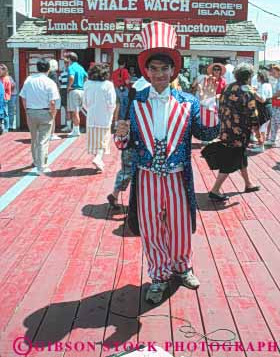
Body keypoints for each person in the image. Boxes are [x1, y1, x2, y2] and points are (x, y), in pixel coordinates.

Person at [115, 21, 213, 304]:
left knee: (181, 225)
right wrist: (120, 136)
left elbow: (206, 133)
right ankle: (159, 275)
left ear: (173, 72)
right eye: (154, 69)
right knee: (151, 227)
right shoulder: (134, 101)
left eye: (165, 68)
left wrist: (207, 103)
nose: (159, 74)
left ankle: (182, 268)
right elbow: (124, 142)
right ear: (146, 71)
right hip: (146, 176)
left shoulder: (188, 101)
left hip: (177, 176)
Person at [208, 63, 261, 201]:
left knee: (241, 157)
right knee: (230, 160)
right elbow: (253, 115)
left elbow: (220, 107)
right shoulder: (247, 91)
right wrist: (259, 135)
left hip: (226, 129)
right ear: (249, 76)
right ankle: (215, 190)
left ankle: (248, 184)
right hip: (240, 133)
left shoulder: (228, 87)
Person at [107, 77, 151, 209]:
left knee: (126, 169)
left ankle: (115, 194)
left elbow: (121, 111)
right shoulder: (149, 91)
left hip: (128, 136)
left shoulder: (131, 91)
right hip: (142, 139)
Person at [19, 59, 60, 175]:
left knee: (34, 138)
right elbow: (52, 102)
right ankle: (42, 166)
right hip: (45, 112)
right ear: (48, 69)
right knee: (43, 140)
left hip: (31, 112)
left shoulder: (29, 80)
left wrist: (27, 110)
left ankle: (36, 160)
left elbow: (23, 97)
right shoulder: (50, 82)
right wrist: (52, 114)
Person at [83, 64, 116, 172]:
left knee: (94, 141)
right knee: (103, 140)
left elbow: (85, 103)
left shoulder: (87, 84)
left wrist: (90, 110)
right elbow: (111, 103)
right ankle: (98, 158)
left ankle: (98, 160)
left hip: (91, 116)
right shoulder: (108, 85)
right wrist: (111, 113)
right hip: (104, 117)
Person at [250, 70, 273, 153]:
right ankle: (260, 144)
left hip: (263, 110)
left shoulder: (263, 86)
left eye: (258, 76)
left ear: (261, 77)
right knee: (263, 128)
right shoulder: (268, 85)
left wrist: (253, 92)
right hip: (268, 109)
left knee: (262, 129)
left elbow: (262, 99)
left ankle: (261, 146)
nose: (257, 78)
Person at [66, 52, 88, 137]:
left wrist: (69, 87)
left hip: (74, 90)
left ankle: (76, 130)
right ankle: (78, 129)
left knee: (75, 112)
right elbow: (86, 77)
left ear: (69, 59)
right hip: (81, 90)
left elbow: (71, 77)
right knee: (82, 111)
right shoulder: (80, 67)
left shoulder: (71, 67)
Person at [112, 58, 131, 125]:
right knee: (125, 104)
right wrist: (129, 78)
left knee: (118, 106)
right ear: (124, 64)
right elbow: (127, 82)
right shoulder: (125, 71)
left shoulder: (114, 72)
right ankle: (123, 119)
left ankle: (117, 121)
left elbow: (113, 82)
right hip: (124, 89)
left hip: (116, 89)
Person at [48, 59, 61, 141]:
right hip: (54, 97)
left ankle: (49, 134)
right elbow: (55, 85)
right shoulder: (54, 74)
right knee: (53, 116)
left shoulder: (48, 74)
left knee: (50, 116)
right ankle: (51, 134)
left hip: (48, 97)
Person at [59, 57, 72, 132]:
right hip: (68, 90)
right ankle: (70, 125)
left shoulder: (63, 73)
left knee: (67, 109)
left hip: (65, 90)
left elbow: (60, 81)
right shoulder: (66, 72)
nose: (66, 64)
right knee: (69, 109)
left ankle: (69, 126)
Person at [0, 64, 12, 133]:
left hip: (4, 98)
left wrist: (6, 98)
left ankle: (6, 128)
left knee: (5, 113)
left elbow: (8, 89)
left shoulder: (6, 78)